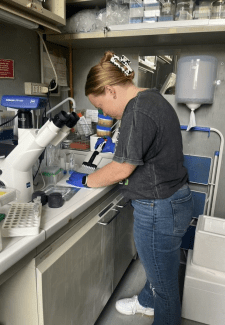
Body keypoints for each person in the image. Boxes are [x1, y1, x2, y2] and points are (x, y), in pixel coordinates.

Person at [68, 51, 194, 325]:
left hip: (159, 207)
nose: (103, 113)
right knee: (158, 267)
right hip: (174, 200)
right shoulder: (153, 98)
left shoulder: (137, 111)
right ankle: (146, 303)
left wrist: (84, 179)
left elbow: (122, 168)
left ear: (110, 90)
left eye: (100, 105)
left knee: (165, 288)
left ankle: (159, 309)